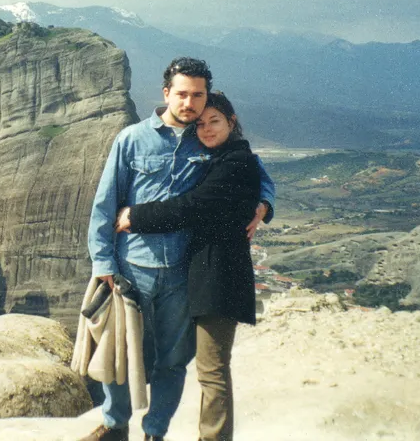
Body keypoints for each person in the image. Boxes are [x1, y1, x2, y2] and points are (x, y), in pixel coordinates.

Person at [80, 58, 274, 441]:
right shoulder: (132, 139)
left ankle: (155, 431)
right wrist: (102, 260)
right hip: (131, 269)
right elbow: (105, 204)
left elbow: (255, 170)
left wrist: (263, 204)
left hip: (183, 273)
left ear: (206, 98)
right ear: (166, 92)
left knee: (172, 361)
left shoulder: (209, 138)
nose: (189, 103)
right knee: (120, 352)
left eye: (197, 95)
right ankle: (115, 425)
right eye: (182, 94)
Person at [115, 92, 262, 441]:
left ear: (232, 121)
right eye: (201, 123)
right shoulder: (218, 156)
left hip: (219, 279)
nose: (207, 129)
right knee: (196, 365)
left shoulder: (236, 160)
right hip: (199, 277)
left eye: (215, 121)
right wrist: (265, 204)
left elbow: (190, 206)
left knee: (211, 371)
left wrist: (135, 216)